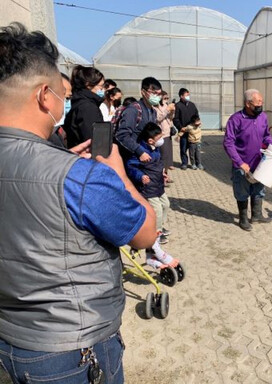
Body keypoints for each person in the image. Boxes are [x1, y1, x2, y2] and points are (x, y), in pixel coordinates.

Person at [0, 23, 157, 383]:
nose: (64, 103)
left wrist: (59, 160)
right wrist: (116, 174)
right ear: (44, 96)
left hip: (9, 339)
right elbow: (145, 234)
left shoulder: (66, 169)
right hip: (72, 352)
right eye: (61, 94)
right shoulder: (82, 178)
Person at [224, 89, 272, 231]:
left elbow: (266, 136)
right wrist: (239, 162)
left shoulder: (263, 117)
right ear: (248, 104)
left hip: (259, 162)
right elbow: (228, 143)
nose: (261, 105)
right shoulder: (235, 119)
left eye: (262, 102)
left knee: (259, 189)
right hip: (242, 164)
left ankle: (257, 215)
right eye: (258, 103)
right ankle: (243, 219)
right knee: (242, 191)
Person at [126, 122, 173, 246]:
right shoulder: (139, 152)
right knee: (156, 209)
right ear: (150, 140)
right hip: (148, 187)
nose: (162, 140)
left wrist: (163, 172)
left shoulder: (155, 148)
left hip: (158, 184)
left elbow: (159, 162)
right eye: (159, 138)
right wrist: (140, 176)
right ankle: (155, 234)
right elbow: (131, 167)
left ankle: (160, 227)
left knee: (166, 204)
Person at [115, 77, 162, 162]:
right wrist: (139, 151)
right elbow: (122, 135)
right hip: (131, 159)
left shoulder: (153, 112)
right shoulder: (133, 110)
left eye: (159, 94)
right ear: (143, 92)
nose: (157, 96)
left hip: (146, 159)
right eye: (154, 93)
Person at [63, 64, 105, 148]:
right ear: (88, 85)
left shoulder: (78, 101)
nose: (103, 90)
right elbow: (93, 140)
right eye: (101, 86)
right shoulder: (88, 107)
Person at [173, 87, 198, 170]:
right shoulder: (178, 106)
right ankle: (184, 163)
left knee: (193, 149)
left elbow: (196, 116)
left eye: (188, 95)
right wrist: (180, 127)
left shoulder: (192, 105)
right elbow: (175, 119)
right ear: (181, 96)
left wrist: (197, 123)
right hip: (183, 132)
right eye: (186, 95)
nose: (188, 97)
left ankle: (194, 163)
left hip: (192, 131)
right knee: (183, 148)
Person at [154, 90, 176, 182]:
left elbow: (171, 118)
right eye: (165, 98)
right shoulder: (155, 107)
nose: (166, 100)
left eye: (167, 98)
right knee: (162, 157)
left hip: (168, 133)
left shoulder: (166, 106)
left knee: (167, 157)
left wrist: (172, 111)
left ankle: (166, 175)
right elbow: (158, 118)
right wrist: (167, 110)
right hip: (161, 134)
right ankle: (161, 178)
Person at [48, 72, 72, 147]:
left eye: (69, 98)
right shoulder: (44, 135)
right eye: (67, 98)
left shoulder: (56, 131)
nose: (67, 102)